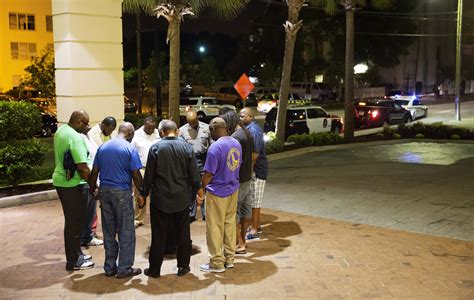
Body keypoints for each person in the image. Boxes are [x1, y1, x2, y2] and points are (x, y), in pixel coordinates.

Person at [140, 120, 201, 278]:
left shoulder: (156, 148)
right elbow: (194, 175)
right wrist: (199, 190)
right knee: (183, 234)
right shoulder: (187, 147)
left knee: (159, 235)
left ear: (161, 132)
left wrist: (143, 193)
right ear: (177, 131)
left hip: (160, 199)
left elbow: (149, 176)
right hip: (181, 198)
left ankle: (155, 269)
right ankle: (183, 266)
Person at [89, 122, 144, 278]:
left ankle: (109, 267)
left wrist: (92, 189)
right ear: (131, 133)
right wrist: (142, 193)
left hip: (105, 192)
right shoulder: (129, 148)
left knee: (108, 231)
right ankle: (124, 268)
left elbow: (94, 172)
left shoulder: (103, 147)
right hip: (121, 192)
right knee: (126, 231)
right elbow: (135, 174)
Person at [53, 110, 95, 271]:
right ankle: (74, 261)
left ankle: (77, 253)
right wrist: (93, 186)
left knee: (73, 222)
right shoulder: (75, 137)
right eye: (85, 123)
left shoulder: (62, 130)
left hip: (63, 180)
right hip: (72, 184)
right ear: (78, 121)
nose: (87, 126)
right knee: (74, 223)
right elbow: (83, 168)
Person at [199, 117, 242, 273]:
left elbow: (208, 174)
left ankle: (217, 262)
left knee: (215, 227)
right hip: (233, 189)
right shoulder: (236, 143)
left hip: (217, 192)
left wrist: (202, 188)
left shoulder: (215, 148)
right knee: (229, 224)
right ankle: (230, 258)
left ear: (212, 130)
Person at [220, 110, 254, 255]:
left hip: (239, 179)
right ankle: (243, 241)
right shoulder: (246, 132)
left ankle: (239, 243)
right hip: (247, 177)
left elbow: (233, 161)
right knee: (246, 211)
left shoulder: (236, 137)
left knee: (234, 213)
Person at [87, 116, 117, 242]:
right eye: (109, 130)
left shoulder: (111, 132)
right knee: (93, 203)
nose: (111, 133)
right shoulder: (93, 134)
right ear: (103, 125)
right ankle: (91, 231)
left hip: (108, 173)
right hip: (97, 171)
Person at [240, 107, 268, 240]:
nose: (240, 118)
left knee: (255, 201)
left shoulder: (254, 130)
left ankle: (255, 230)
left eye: (242, 116)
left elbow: (255, 154)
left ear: (250, 117)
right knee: (253, 199)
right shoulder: (250, 129)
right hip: (256, 170)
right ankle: (256, 225)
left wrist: (248, 170)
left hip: (257, 171)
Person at [178, 110, 212, 221]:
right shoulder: (182, 131)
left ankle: (206, 213)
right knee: (191, 187)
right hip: (190, 160)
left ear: (197, 118)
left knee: (205, 185)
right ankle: (191, 214)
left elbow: (212, 144)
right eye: (190, 122)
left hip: (204, 158)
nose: (192, 124)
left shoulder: (206, 128)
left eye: (194, 122)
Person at [131, 115, 160, 228]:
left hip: (156, 169)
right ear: (144, 125)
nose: (150, 130)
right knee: (140, 194)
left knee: (156, 194)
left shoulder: (158, 134)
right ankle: (138, 218)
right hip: (142, 169)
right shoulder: (136, 135)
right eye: (148, 128)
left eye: (152, 128)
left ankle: (156, 216)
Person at [80, 127, 103, 247]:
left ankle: (88, 236)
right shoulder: (80, 139)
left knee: (91, 211)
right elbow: (84, 165)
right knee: (87, 211)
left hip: (94, 179)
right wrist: (92, 183)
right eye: (85, 123)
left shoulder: (90, 138)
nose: (88, 125)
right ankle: (85, 237)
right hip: (87, 181)